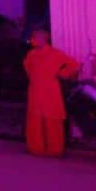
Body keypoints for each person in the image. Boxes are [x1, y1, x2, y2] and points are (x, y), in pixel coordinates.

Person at [23, 28, 80, 157]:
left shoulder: (55, 54)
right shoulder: (31, 54)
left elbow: (74, 64)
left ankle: (54, 149)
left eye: (35, 37)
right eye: (32, 37)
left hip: (51, 91)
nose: (32, 40)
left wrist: (62, 74)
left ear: (43, 39)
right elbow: (27, 68)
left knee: (52, 119)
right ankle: (35, 148)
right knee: (35, 118)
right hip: (35, 90)